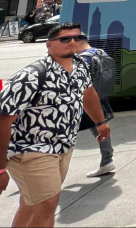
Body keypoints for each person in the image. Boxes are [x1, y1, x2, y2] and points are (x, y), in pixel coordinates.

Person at [0, 23, 111, 228]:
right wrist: (0, 169)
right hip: (30, 150)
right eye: (65, 39)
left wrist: (101, 122)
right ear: (49, 44)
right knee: (47, 205)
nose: (73, 42)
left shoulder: (80, 66)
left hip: (62, 147)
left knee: (32, 204)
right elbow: (3, 120)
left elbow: (88, 94)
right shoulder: (31, 75)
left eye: (78, 38)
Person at [77, 39, 116, 178]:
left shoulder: (83, 59)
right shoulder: (100, 52)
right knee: (100, 127)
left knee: (68, 131)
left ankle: (107, 160)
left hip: (87, 100)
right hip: (99, 96)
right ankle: (107, 160)